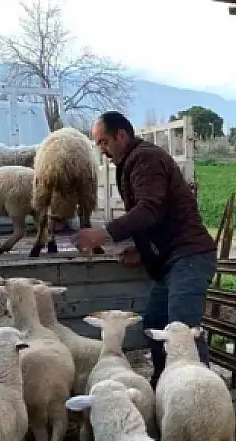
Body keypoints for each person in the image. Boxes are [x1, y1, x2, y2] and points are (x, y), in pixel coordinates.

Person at [73, 111, 218, 387]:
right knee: (155, 322)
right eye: (98, 144)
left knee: (182, 333)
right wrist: (143, 252)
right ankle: (166, 389)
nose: (101, 150)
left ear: (122, 136)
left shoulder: (145, 159)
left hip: (189, 257)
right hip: (173, 259)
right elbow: (159, 217)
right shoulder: (131, 162)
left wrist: (104, 234)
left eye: (104, 142)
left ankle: (202, 395)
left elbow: (149, 209)